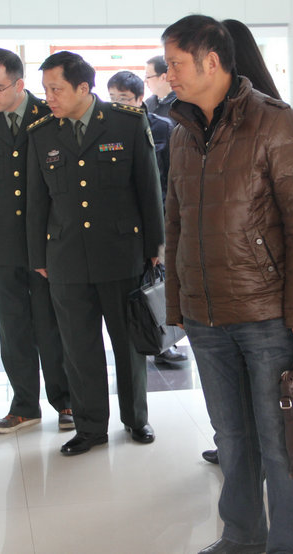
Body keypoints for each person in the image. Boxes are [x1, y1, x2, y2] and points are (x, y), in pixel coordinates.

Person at [163, 15, 293, 554]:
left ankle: (291, 545)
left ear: (211, 62)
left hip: (266, 316)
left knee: (280, 443)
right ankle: (241, 535)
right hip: (205, 317)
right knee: (231, 438)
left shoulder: (278, 124)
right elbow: (175, 223)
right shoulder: (182, 132)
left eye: (176, 64)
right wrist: (177, 303)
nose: (169, 75)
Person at [26, 51, 164, 456]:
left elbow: (149, 189)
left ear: (83, 88)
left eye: (56, 89)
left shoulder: (127, 123)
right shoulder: (42, 133)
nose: (49, 97)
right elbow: (36, 202)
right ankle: (89, 428)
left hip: (121, 254)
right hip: (66, 257)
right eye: (46, 89)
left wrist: (154, 247)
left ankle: (136, 418)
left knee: (128, 345)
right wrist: (38, 257)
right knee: (78, 348)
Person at [0, 47, 73, 434]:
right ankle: (24, 405)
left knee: (51, 323)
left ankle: (66, 401)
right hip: (0, 239)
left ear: (19, 84)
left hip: (46, 240)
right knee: (12, 325)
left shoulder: (49, 114)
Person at [201, 18, 283, 468]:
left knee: (270, 414)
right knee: (234, 412)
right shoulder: (194, 126)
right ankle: (238, 457)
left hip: (259, 296)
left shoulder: (273, 121)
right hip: (217, 298)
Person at [106, 70, 187, 365]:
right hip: (124, 224)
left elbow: (173, 178)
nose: (118, 103)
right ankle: (141, 339)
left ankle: (164, 340)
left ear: (140, 98)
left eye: (124, 98)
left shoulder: (162, 127)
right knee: (134, 287)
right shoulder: (107, 129)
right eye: (112, 97)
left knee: (159, 280)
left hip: (160, 218)